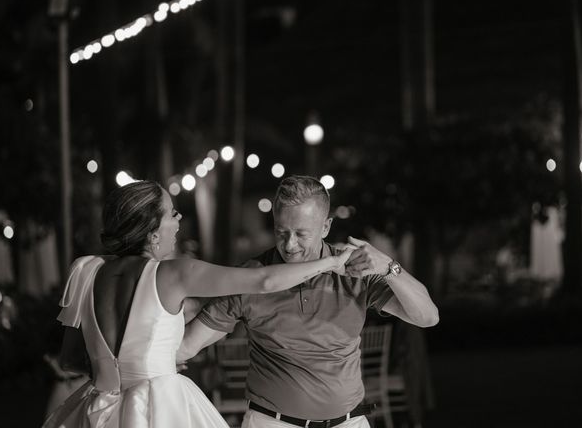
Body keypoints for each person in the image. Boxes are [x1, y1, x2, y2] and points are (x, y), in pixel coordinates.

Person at [42, 180, 355, 428]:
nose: (179, 219)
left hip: (96, 407)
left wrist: (121, 367)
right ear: (153, 231)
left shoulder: (86, 270)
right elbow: (264, 282)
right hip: (157, 406)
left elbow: (70, 359)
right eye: (172, 213)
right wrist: (330, 263)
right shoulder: (174, 273)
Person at [179, 175, 439, 428]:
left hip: (349, 422)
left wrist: (388, 267)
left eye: (301, 234)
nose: (289, 245)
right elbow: (188, 345)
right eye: (281, 232)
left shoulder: (355, 270)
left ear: (325, 227)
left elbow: (427, 317)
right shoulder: (253, 276)